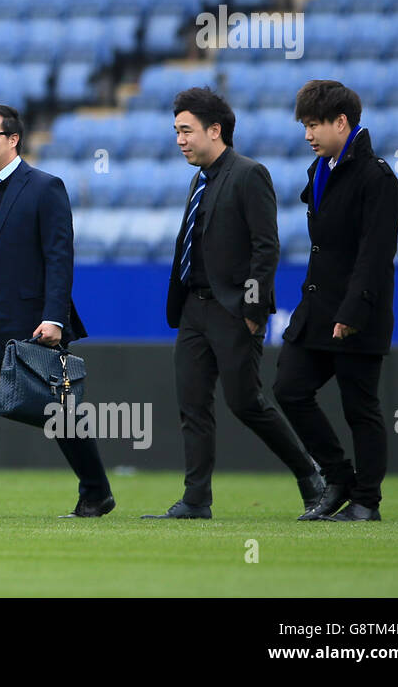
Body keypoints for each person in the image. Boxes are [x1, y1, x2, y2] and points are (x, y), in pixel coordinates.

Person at [144, 87, 322, 520]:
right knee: (192, 405)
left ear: (215, 130)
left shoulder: (249, 174)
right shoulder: (199, 179)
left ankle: (311, 475)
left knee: (246, 403)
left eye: (186, 131)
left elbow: (266, 249)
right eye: (176, 131)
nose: (180, 139)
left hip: (233, 311)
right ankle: (196, 500)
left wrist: (252, 312)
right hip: (193, 309)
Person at [0, 103, 113, 519]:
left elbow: (59, 257)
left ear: (13, 139)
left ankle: (96, 490)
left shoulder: (45, 187)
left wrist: (54, 317)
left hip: (34, 320)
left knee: (56, 412)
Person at [274, 81, 398, 522]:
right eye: (305, 125)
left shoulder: (377, 177)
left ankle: (367, 501)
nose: (307, 134)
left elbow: (375, 253)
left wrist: (354, 310)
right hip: (317, 310)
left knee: (359, 407)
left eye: (314, 125)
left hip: (355, 312)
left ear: (341, 122)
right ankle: (339, 477)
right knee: (289, 388)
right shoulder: (321, 169)